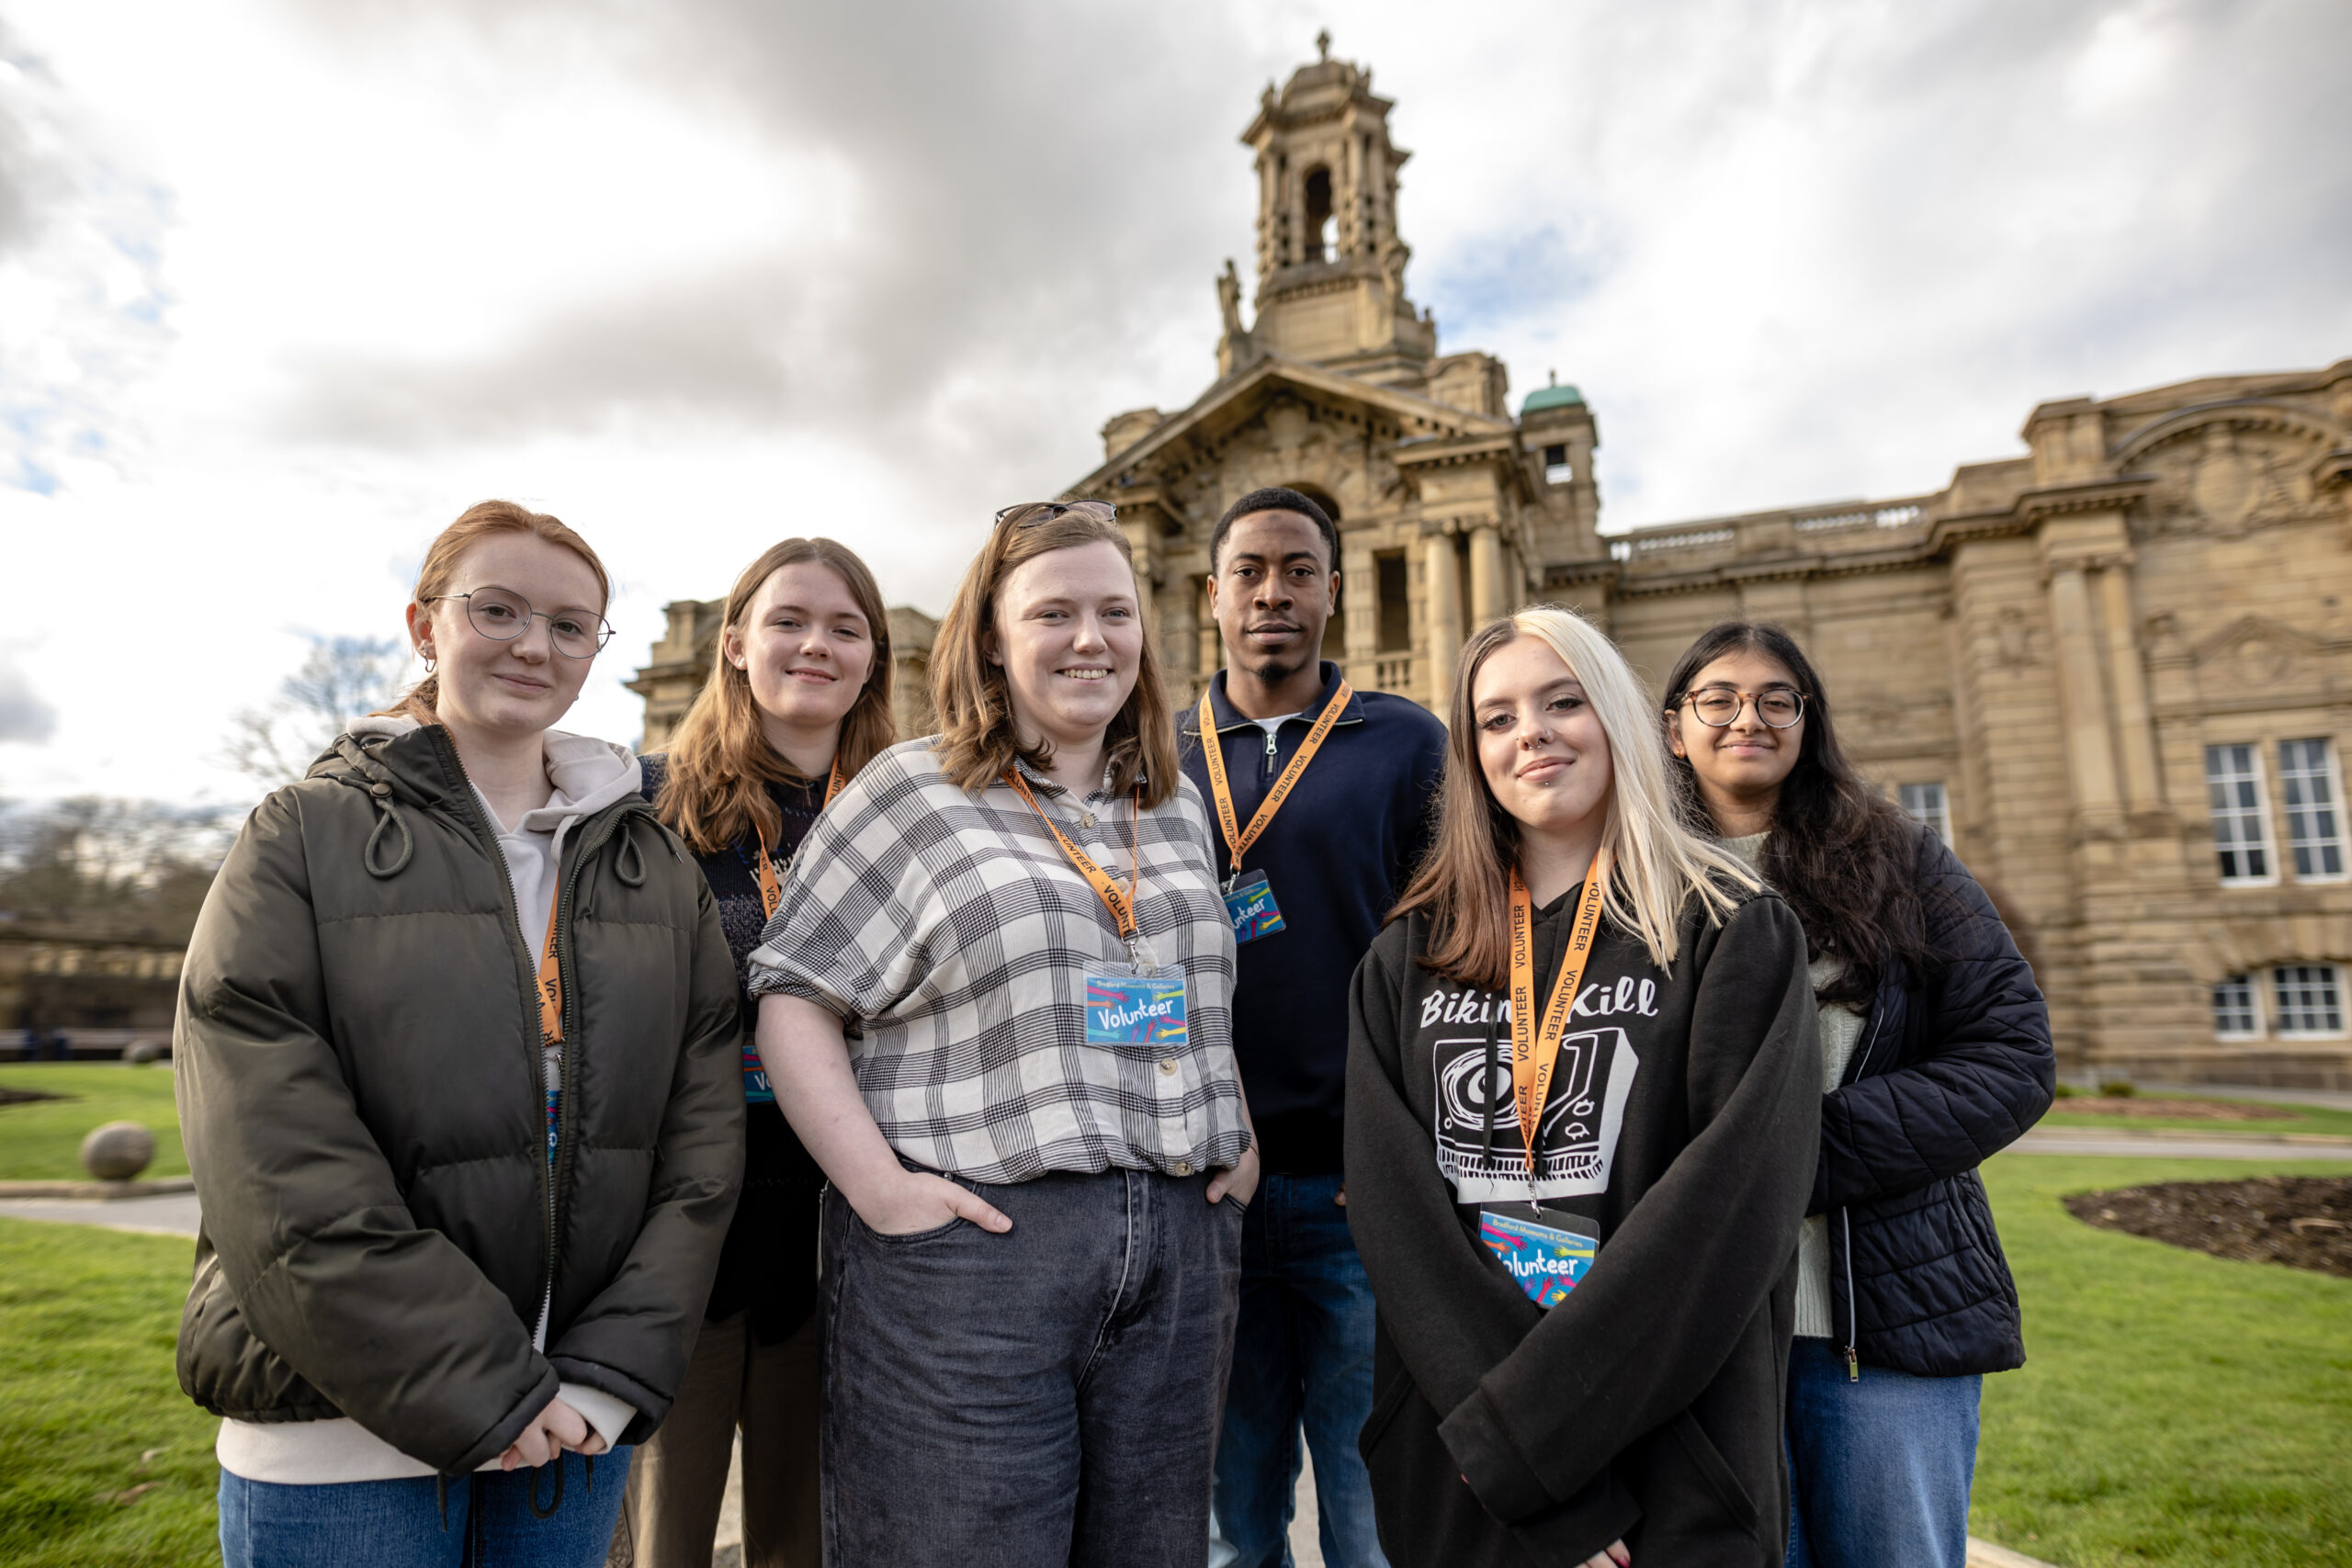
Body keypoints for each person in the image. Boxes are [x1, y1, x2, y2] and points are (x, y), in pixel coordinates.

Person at [175, 501, 744, 1568]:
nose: (535, 645)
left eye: (571, 626)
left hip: (577, 1423)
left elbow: (700, 1146)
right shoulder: (302, 832)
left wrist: (612, 1368)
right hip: (339, 1427)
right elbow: (272, 1155)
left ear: (593, 658)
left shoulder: (652, 864)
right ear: (425, 625)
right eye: (498, 609)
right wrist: (478, 1384)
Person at [745, 500, 1258, 1568]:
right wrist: (879, 1189)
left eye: (1114, 612)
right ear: (991, 637)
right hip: (980, 1259)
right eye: (1053, 612)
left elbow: (1193, 992)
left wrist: (1236, 1132)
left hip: (1178, 1255)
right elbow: (794, 994)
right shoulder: (913, 791)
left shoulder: (1172, 807)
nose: (1090, 638)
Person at [1346, 605, 1821, 1568]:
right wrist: (1520, 1472)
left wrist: (1548, 1453)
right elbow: (1402, 1225)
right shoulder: (1408, 956)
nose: (1532, 733)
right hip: (1464, 1460)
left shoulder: (1733, 931)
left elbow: (1724, 1218)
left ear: (1615, 717)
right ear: (1471, 753)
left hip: (1668, 1465)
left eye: (1563, 702)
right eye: (1497, 717)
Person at [1660, 622, 2052, 1568]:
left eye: (1776, 699)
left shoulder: (1899, 858)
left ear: (1807, 722)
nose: (1746, 716)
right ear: (1675, 728)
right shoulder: (1629, 875)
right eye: (1718, 698)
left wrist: (1794, 1158)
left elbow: (2011, 1055)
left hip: (1880, 1330)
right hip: (1702, 1339)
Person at [609, 539, 896, 1568]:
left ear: (874, 659)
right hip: (676, 1232)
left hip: (845, 1232)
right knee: (661, 1539)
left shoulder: (914, 822)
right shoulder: (643, 810)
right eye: (788, 620)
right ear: (733, 644)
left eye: (844, 627)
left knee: (810, 1538)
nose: (815, 644)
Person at [1181, 487, 1443, 1568]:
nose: (1273, 593)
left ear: (1334, 589)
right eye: (1250, 571)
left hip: (1359, 1189)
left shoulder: (1407, 742)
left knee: (1370, 1509)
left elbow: (1455, 954)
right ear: (1213, 595)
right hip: (1207, 1187)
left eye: (1298, 570)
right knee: (1231, 1517)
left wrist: (1404, 1149)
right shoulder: (1158, 749)